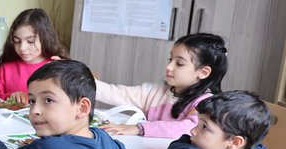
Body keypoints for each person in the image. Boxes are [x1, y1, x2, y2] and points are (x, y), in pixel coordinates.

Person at [95, 33, 227, 140]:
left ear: (203, 72)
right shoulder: (157, 91)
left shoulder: (207, 104)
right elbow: (116, 93)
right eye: (170, 60)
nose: (169, 67)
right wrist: (83, 80)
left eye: (179, 63)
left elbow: (188, 128)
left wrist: (139, 128)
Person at [0, 8, 66, 103]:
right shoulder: (6, 69)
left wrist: (65, 74)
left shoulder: (55, 66)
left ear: (45, 38)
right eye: (17, 41)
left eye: (30, 41)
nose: (22, 48)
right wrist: (10, 97)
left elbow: (68, 102)